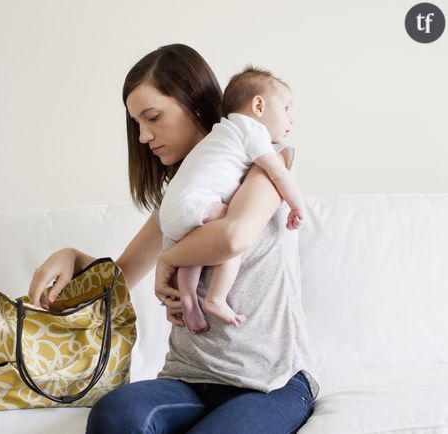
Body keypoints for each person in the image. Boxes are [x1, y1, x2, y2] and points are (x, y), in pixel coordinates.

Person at [28, 43, 319, 434]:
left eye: (153, 117)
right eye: (137, 124)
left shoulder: (267, 160)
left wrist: (169, 260)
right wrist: (71, 256)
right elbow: (121, 277)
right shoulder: (179, 202)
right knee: (114, 417)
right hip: (188, 379)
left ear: (194, 103)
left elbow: (234, 236)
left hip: (271, 382)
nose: (144, 135)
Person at [159, 66, 305, 333]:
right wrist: (297, 206)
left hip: (173, 211)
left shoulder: (221, 134)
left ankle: (189, 296)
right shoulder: (253, 132)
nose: (292, 119)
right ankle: (215, 298)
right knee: (230, 224)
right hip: (195, 205)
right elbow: (278, 174)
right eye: (286, 108)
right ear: (258, 105)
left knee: (195, 247)